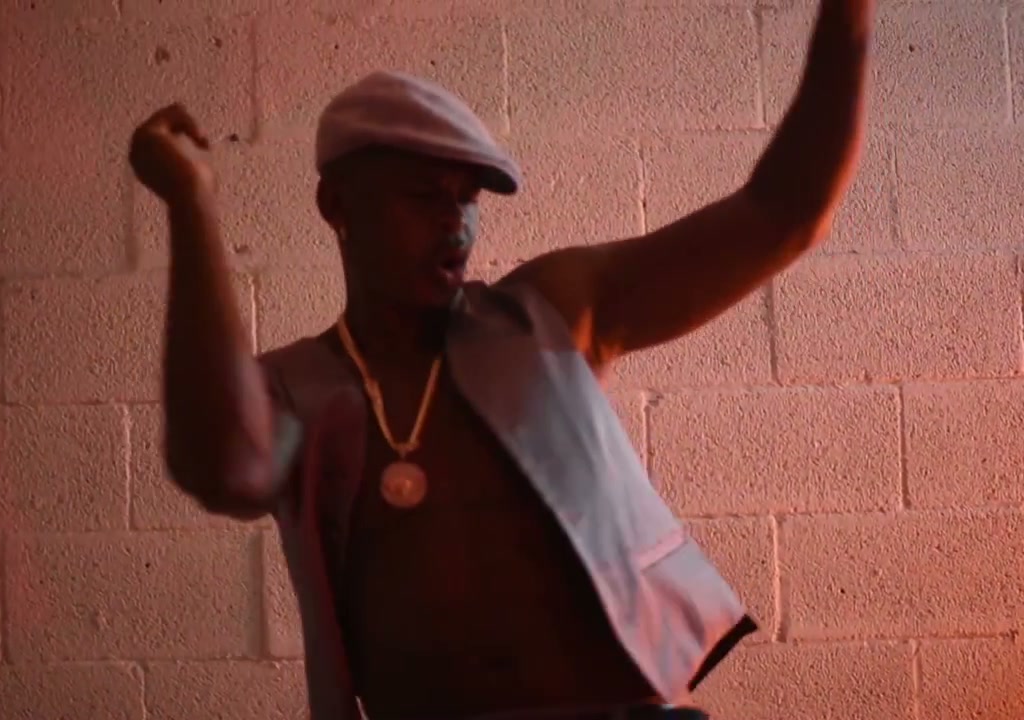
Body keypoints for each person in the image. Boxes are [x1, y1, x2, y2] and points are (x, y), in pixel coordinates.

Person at [128, 1, 873, 717]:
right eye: (424, 196)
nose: (455, 223)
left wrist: (849, 12)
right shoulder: (296, 393)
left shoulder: (550, 315)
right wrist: (191, 205)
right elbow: (227, 470)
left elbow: (785, 211)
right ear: (337, 206)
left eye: (468, 199)